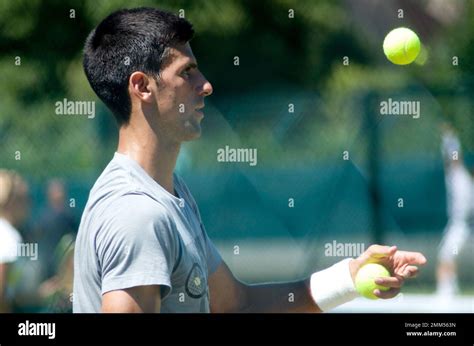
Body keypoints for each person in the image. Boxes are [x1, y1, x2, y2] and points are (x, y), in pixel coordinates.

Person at [73, 7, 427, 313]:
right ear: (143, 87)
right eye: (187, 71)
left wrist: (348, 278)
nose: (206, 84)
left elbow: (236, 305)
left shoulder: (167, 196)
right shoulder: (138, 215)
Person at [436, 125, 474, 298]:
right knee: (447, 254)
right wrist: (450, 139)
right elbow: (454, 160)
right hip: (460, 224)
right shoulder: (459, 177)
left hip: (468, 224)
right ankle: (447, 290)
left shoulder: (463, 179)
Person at [0, 170, 30, 312]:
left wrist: (39, 295)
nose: (28, 204)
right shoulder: (8, 236)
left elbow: (9, 294)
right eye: (24, 198)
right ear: (11, 201)